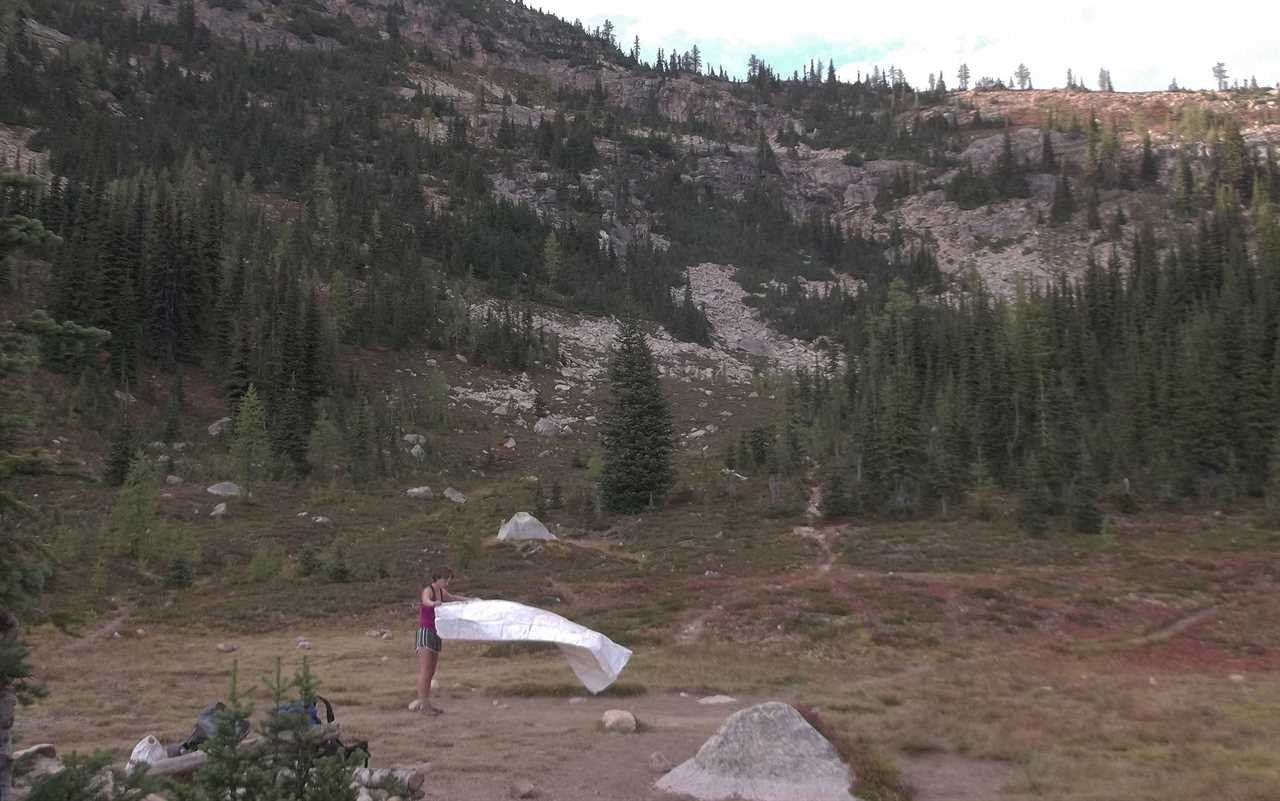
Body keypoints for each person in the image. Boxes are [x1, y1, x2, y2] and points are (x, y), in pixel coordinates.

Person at [411, 567, 470, 715]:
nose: (447, 582)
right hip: (426, 632)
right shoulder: (429, 590)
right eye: (446, 579)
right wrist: (433, 603)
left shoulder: (442, 593)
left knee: (431, 671)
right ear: (438, 579)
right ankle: (423, 705)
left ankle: (426, 704)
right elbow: (426, 601)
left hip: (437, 632)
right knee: (425, 670)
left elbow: (454, 598)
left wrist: (469, 600)